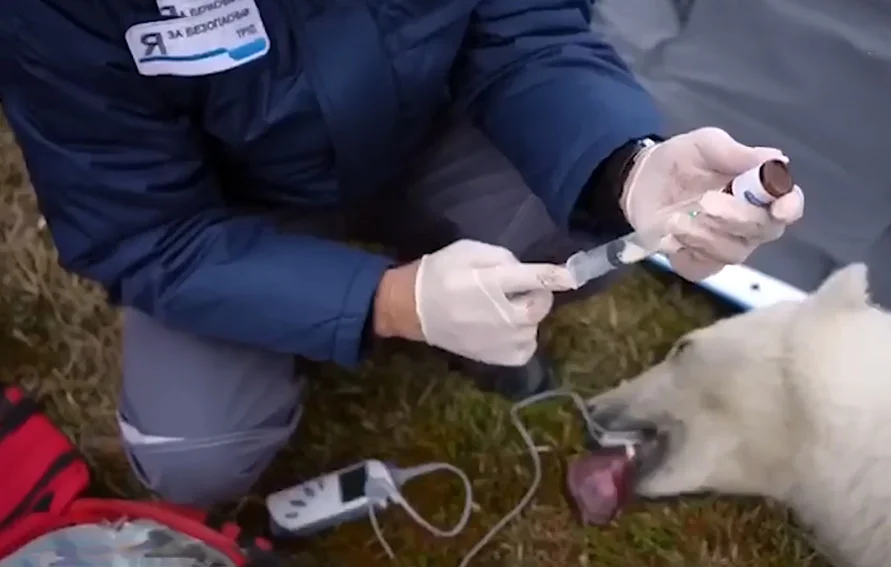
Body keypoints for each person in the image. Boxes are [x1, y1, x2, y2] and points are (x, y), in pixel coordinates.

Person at [0, 0, 804, 508]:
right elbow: (144, 231)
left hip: (432, 126)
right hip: (226, 207)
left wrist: (628, 164)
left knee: (587, 221)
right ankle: (364, 308)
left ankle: (489, 326)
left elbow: (524, 27)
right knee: (200, 460)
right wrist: (388, 300)